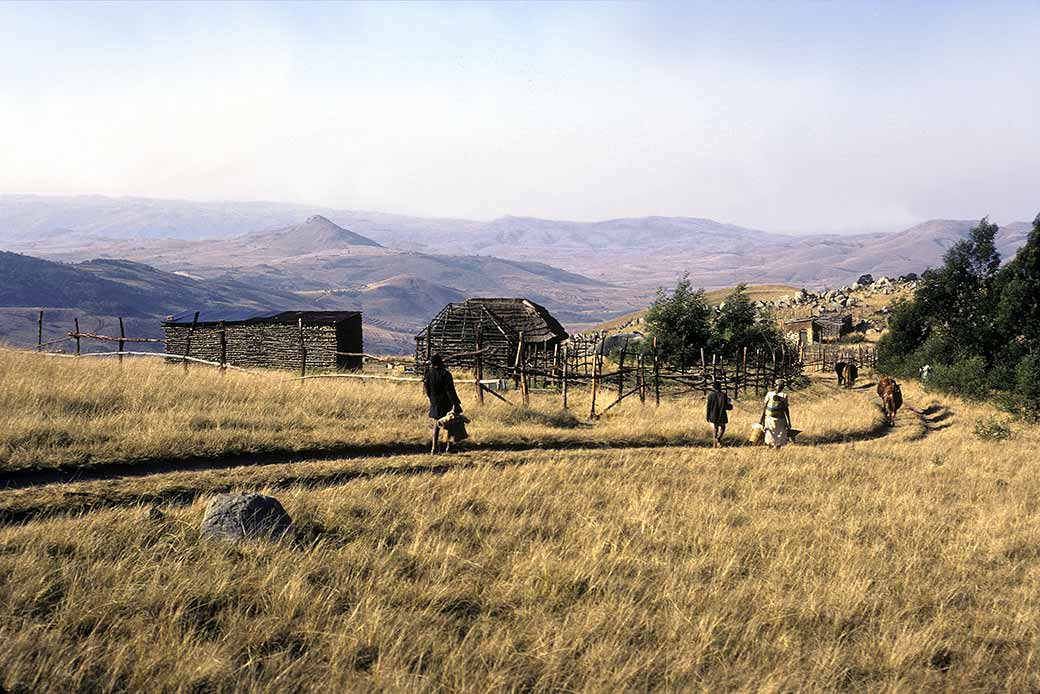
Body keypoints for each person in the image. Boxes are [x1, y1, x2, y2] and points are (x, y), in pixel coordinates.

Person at [423, 354, 463, 454]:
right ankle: (449, 447)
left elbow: (426, 389)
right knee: (449, 424)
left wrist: (431, 399)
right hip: (445, 402)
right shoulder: (445, 374)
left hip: (434, 402)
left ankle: (434, 448)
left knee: (436, 425)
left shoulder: (428, 374)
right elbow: (450, 390)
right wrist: (455, 403)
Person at [762, 378, 791, 448]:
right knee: (769, 434)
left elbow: (786, 409)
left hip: (780, 420)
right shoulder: (769, 394)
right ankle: (770, 448)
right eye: (778, 385)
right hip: (770, 419)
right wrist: (761, 419)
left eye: (781, 386)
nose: (779, 387)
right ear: (775, 386)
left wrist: (788, 421)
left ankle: (778, 450)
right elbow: (765, 407)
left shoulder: (784, 396)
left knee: (780, 436)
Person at [706, 380, 733, 447]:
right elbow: (726, 406)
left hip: (713, 415)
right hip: (721, 414)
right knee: (723, 427)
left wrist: (707, 416)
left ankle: (714, 445)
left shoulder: (710, 395)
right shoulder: (723, 395)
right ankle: (718, 439)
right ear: (720, 387)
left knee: (715, 428)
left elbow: (708, 407)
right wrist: (730, 407)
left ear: (713, 388)